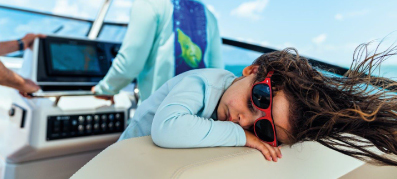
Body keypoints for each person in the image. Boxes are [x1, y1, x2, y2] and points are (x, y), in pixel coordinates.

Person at [117, 41, 397, 166]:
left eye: (264, 129)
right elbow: (166, 128)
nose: (245, 121)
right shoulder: (203, 84)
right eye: (257, 100)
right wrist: (242, 137)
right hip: (122, 159)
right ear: (251, 71)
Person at [92, 0, 223, 103]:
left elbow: (130, 63)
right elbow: (217, 73)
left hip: (155, 121)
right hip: (196, 119)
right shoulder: (208, 15)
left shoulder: (149, 4)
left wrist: (106, 89)